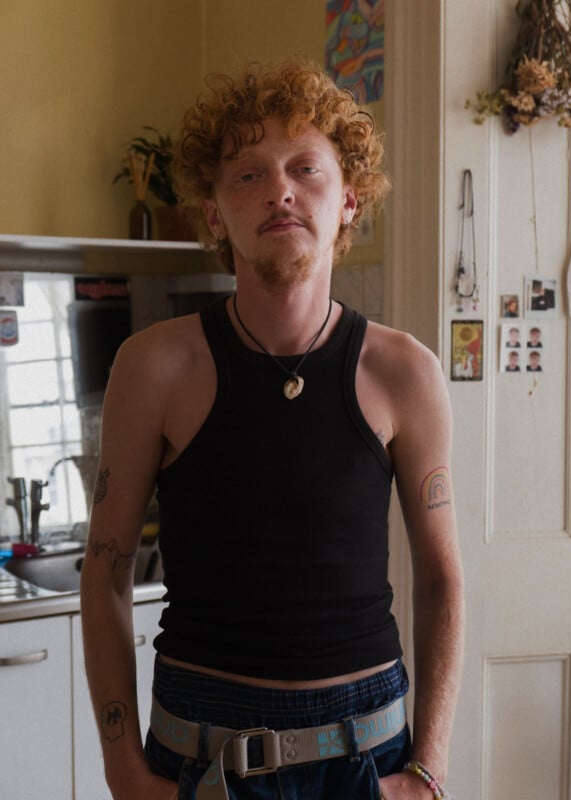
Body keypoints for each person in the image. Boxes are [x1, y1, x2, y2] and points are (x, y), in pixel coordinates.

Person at [80, 59, 464, 800]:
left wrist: (429, 770)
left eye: (305, 168)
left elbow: (443, 580)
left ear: (349, 201)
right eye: (248, 174)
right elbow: (105, 573)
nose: (279, 189)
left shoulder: (404, 372)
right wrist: (123, 770)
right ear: (216, 213)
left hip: (368, 754)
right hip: (198, 753)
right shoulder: (153, 367)